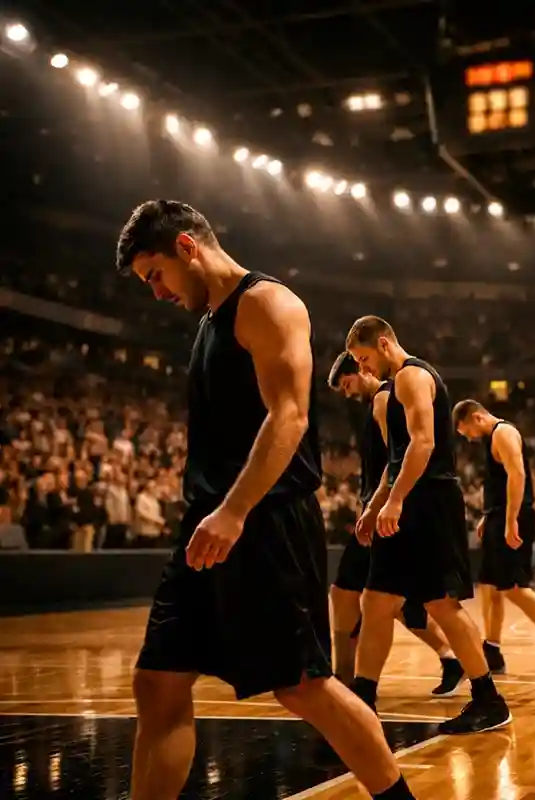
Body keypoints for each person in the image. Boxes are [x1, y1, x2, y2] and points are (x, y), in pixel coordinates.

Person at [117, 200, 414, 800]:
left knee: (303, 686)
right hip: (209, 524)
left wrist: (234, 509)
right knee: (158, 681)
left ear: (186, 248)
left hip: (264, 520)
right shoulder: (208, 323)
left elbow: (291, 415)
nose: (157, 294)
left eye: (156, 276)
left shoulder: (268, 304)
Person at [345, 317, 511, 734]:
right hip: (408, 499)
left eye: (364, 359)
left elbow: (424, 444)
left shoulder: (412, 377)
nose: (364, 369)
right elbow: (397, 457)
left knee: (441, 604)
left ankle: (489, 700)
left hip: (429, 500)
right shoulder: (396, 383)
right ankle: (363, 701)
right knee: (377, 600)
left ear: (383, 345)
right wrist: (376, 505)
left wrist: (396, 500)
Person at [327, 352, 464, 695]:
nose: (347, 393)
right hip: (381, 508)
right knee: (391, 601)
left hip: (384, 512)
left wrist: (381, 507)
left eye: (347, 384)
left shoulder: (385, 399)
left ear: (361, 369)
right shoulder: (382, 398)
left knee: (351, 595)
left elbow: (398, 459)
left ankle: (344, 680)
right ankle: (450, 658)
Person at [451, 400, 535, 678]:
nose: (467, 437)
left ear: (476, 417)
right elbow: (500, 483)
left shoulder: (504, 432)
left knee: (513, 586)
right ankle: (492, 650)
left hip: (514, 516)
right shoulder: (492, 437)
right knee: (489, 585)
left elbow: (518, 475)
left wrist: (510, 519)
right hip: (499, 515)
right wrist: (490, 516)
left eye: (466, 430)